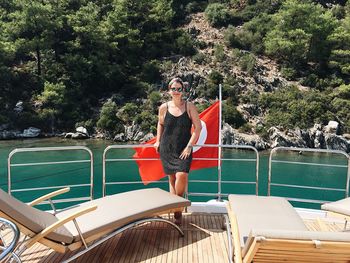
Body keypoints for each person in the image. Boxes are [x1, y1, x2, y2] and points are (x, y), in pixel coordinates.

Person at [154, 77, 202, 225]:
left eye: (179, 89)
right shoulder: (164, 107)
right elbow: (160, 123)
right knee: (172, 179)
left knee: (181, 175)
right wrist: (157, 140)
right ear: (169, 90)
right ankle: (177, 211)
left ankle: (177, 207)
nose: (176, 91)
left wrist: (189, 146)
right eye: (173, 89)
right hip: (167, 147)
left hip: (184, 148)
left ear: (183, 91)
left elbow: (198, 128)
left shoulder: (189, 106)